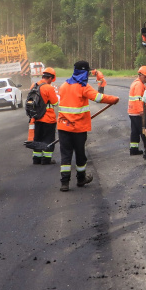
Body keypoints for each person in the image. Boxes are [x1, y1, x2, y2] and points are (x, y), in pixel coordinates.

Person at [56, 61, 119, 192]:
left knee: (65, 155)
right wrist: (113, 99)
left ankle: (65, 183)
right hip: (78, 128)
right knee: (80, 154)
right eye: (87, 72)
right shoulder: (83, 87)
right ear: (84, 72)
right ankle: (80, 179)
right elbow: (98, 97)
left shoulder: (63, 86)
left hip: (63, 127)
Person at [31, 68, 60, 165]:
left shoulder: (34, 85)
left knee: (37, 138)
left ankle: (36, 159)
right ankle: (46, 160)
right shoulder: (48, 88)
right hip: (48, 118)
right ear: (51, 77)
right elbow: (55, 102)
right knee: (48, 139)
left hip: (37, 117)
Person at [128, 66, 146, 155]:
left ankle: (133, 149)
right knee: (143, 131)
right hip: (137, 112)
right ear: (140, 75)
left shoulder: (137, 83)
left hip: (133, 112)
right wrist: (142, 111)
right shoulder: (139, 85)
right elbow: (138, 99)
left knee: (135, 131)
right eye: (145, 77)